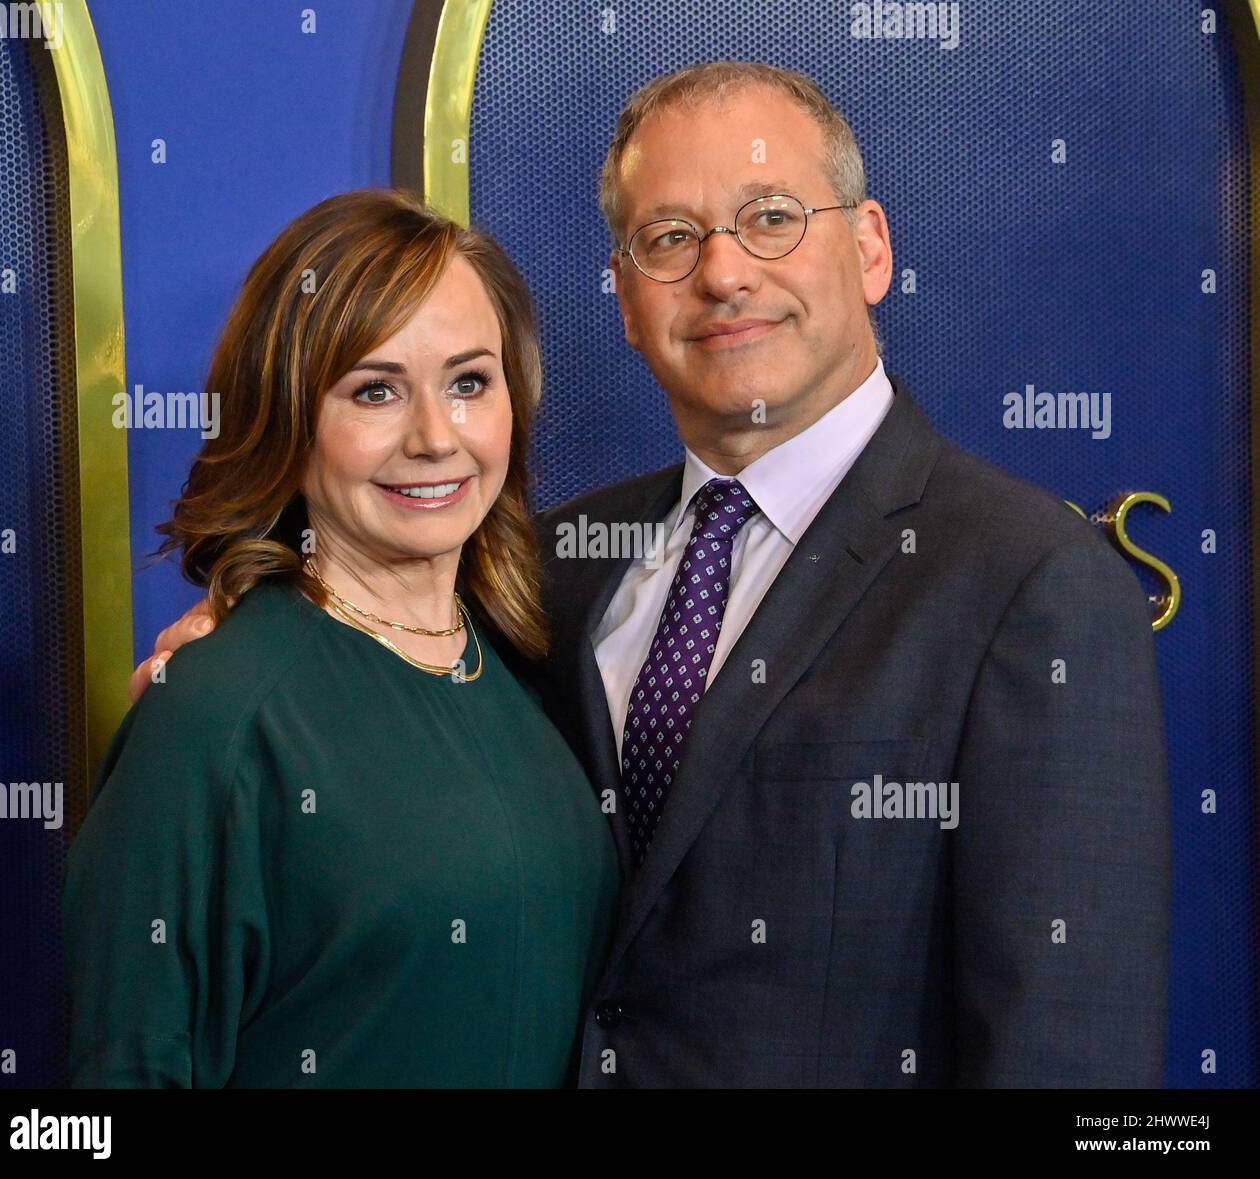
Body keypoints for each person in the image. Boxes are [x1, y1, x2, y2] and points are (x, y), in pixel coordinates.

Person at [134, 62, 1171, 1088]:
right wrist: (239, 650)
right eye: (669, 239)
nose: (723, 275)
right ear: (626, 300)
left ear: (868, 248)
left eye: (770, 218)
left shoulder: (1028, 582)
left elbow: (1069, 1048)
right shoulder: (543, 569)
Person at [63, 189, 620, 1088]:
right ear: (287, 417)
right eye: (375, 390)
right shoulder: (212, 714)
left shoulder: (527, 659)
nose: (436, 436)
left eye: (470, 382)